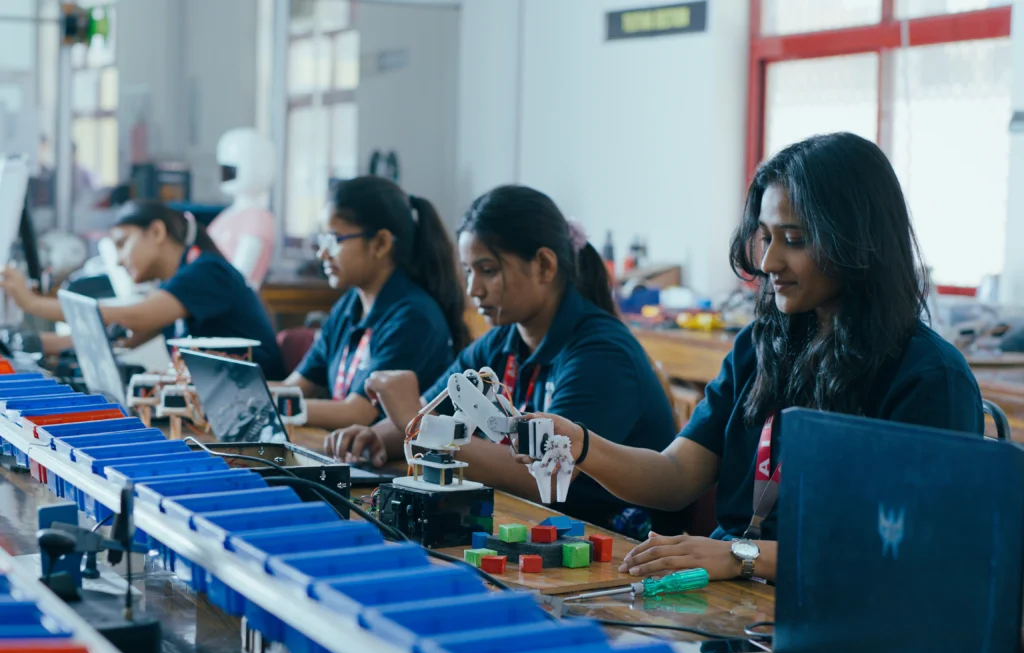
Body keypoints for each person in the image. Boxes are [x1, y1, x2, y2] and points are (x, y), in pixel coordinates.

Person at [515, 133, 983, 583]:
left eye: (794, 239)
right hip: (736, 584)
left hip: (839, 611)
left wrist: (743, 555)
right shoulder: (762, 345)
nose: (768, 262)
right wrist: (581, 444)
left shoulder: (928, 378)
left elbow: (906, 552)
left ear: (858, 243)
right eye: (765, 237)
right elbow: (676, 475)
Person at [325, 185, 679, 535]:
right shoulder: (499, 343)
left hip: (617, 547)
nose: (473, 289)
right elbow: (432, 411)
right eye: (467, 271)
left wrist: (410, 423)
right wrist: (373, 436)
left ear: (543, 265)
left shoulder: (602, 354)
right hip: (536, 528)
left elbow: (536, 475)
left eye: (488, 270)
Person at [0, 200, 287, 380]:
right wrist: (25, 341)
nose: (121, 260)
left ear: (157, 232)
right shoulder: (175, 286)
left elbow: (133, 318)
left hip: (259, 402)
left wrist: (32, 303)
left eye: (123, 243)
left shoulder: (206, 272)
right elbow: (117, 339)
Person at [279, 176, 470, 431]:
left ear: (380, 243)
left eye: (334, 240)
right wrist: (237, 396)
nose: (321, 253)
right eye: (322, 240)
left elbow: (357, 413)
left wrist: (262, 406)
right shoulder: (349, 306)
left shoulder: (413, 317)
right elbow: (295, 387)